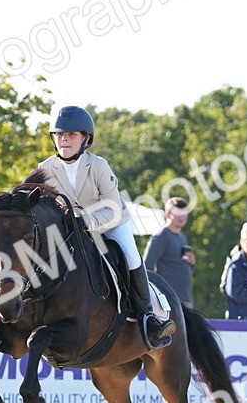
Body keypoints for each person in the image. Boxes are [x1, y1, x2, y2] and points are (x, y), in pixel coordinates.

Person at [35, 105, 175, 348]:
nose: (64, 139)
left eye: (71, 135)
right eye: (59, 134)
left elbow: (113, 209)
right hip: (70, 230)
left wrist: (85, 221)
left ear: (85, 138)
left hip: (110, 222)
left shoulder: (99, 165)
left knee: (131, 256)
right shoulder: (45, 169)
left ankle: (149, 317)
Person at [143, 197, 195, 308]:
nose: (181, 217)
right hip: (167, 301)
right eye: (177, 213)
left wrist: (191, 263)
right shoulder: (162, 235)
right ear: (168, 214)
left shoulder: (182, 237)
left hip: (185, 299)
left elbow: (179, 268)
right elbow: (147, 267)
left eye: (184, 213)